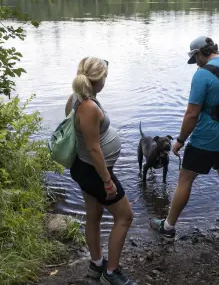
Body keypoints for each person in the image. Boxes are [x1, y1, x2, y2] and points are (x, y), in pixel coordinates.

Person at [150, 36, 219, 242]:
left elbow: (191, 114)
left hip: (204, 139)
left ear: (199, 53)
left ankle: (168, 227)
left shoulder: (202, 75)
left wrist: (179, 140)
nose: (195, 63)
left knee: (185, 179)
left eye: (195, 58)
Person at [65, 57, 136, 285]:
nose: (106, 80)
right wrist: (107, 180)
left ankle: (96, 266)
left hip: (85, 168)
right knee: (125, 216)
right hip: (94, 170)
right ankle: (111, 273)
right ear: (99, 79)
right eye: (105, 76)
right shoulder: (88, 107)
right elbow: (94, 149)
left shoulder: (76, 99)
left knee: (94, 216)